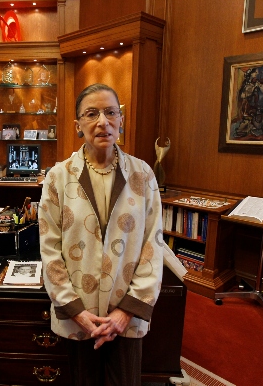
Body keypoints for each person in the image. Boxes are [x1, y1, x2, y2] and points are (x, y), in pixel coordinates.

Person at [38, 83, 172, 385]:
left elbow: (153, 245)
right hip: (77, 313)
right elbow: (50, 251)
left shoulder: (142, 175)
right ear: (77, 125)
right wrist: (77, 312)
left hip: (126, 312)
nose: (103, 121)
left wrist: (125, 313)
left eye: (111, 112)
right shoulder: (57, 178)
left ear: (121, 120)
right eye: (91, 113)